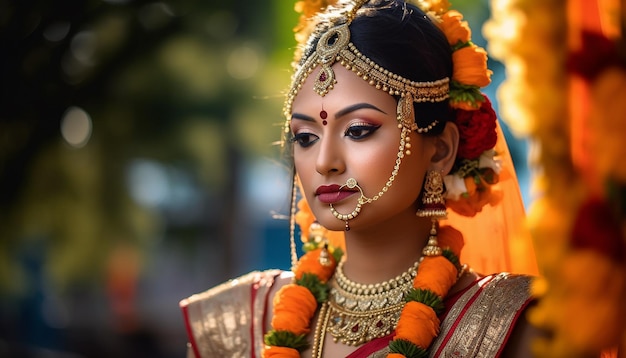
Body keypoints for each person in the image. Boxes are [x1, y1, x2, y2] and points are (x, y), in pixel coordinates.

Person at [179, 0, 540, 357]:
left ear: (440, 150)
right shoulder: (240, 324)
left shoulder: (512, 325)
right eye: (305, 137)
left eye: (358, 130)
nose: (324, 162)